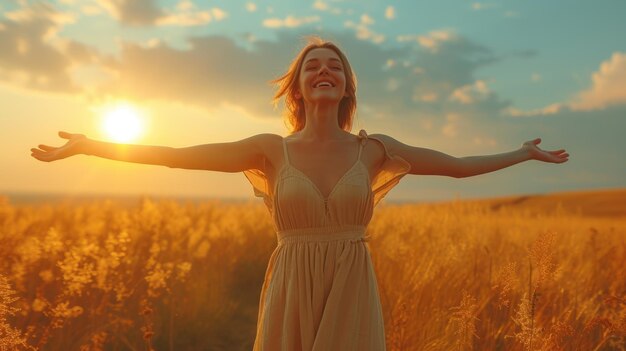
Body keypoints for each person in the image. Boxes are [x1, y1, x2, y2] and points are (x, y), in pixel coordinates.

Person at [31, 36, 569, 350]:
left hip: (351, 284)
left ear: (347, 88)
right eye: (313, 66)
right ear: (298, 87)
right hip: (292, 282)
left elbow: (456, 167)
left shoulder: (374, 149)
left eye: (335, 66)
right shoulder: (270, 150)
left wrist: (522, 152)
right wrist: (91, 145)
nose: (324, 71)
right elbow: (177, 153)